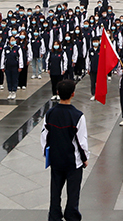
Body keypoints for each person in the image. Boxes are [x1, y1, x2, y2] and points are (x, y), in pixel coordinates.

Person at [41, 79, 88, 221]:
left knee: (55, 192)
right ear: (73, 94)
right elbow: (82, 141)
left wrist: (47, 154)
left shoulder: (49, 114)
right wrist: (85, 158)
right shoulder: (78, 116)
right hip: (73, 162)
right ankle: (71, 215)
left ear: (57, 93)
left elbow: (44, 136)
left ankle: (54, 216)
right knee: (73, 193)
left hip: (56, 160)